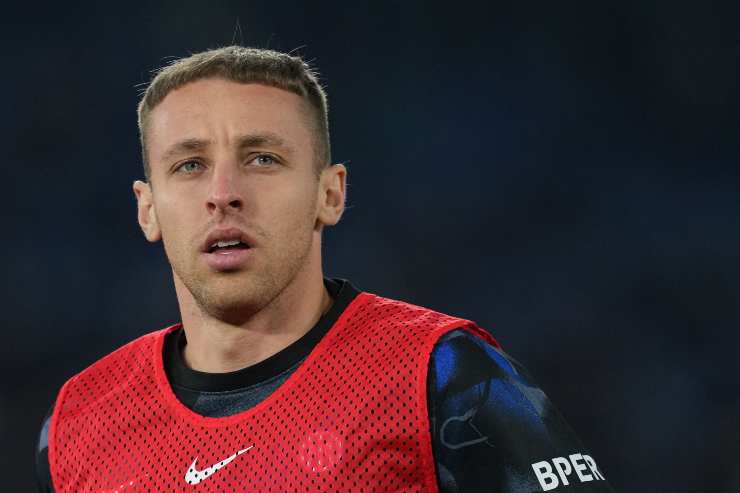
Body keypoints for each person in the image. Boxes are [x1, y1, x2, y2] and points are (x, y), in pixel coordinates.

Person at [36, 46, 615, 492]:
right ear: (147, 208)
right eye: (189, 165)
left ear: (329, 194)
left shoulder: (445, 375)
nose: (223, 193)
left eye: (263, 158)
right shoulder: (78, 423)